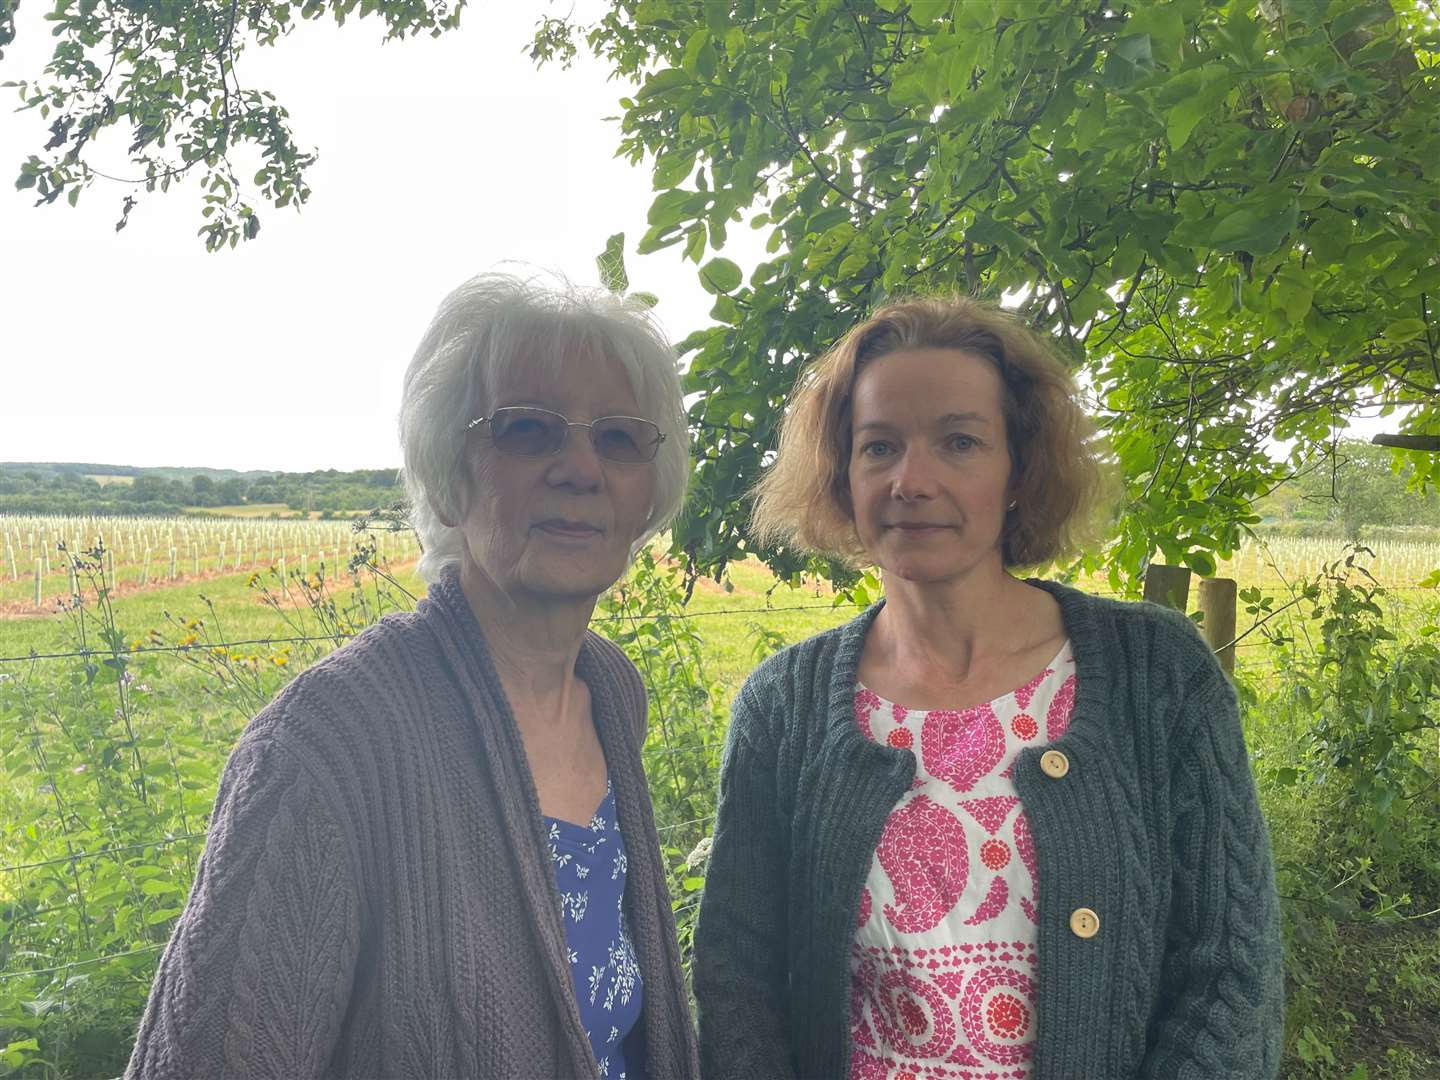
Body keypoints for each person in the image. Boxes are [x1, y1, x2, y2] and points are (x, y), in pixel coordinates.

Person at [692, 296, 1284, 1079]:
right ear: (843, 475)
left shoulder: (1160, 674)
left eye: (960, 442)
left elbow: (1229, 974)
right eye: (879, 447)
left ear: (1020, 470)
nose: (912, 479)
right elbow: (738, 981)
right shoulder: (782, 706)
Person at [126, 273, 700, 1079]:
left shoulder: (610, 691)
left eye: (618, 438)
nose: (581, 467)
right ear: (448, 475)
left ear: (648, 489)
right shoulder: (326, 743)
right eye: (529, 429)